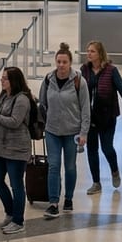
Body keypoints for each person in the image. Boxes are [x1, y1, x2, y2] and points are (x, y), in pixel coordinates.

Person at [39, 43, 90, 218]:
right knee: (53, 166)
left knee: (69, 167)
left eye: (64, 62)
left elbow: (85, 109)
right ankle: (53, 202)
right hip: (52, 131)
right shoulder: (48, 79)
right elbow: (42, 103)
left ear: (70, 63)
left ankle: (68, 198)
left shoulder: (79, 81)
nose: (61, 65)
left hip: (71, 132)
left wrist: (84, 132)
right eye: (58, 61)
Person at [0, 66, 32, 234]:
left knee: (16, 185)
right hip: (0, 147)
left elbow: (15, 121)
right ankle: (10, 212)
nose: (2, 81)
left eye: (5, 78)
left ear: (13, 81)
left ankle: (18, 220)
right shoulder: (5, 95)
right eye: (2, 78)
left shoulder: (22, 99)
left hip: (17, 149)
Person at [80, 41, 122, 195]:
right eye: (88, 51)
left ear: (100, 53)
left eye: (92, 51)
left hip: (108, 116)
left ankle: (114, 170)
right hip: (90, 116)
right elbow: (79, 91)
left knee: (107, 147)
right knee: (92, 149)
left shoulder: (111, 70)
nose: (89, 54)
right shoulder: (84, 70)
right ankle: (96, 182)